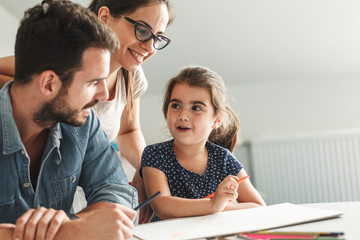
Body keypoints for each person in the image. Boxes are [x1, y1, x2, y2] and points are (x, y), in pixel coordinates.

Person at [0, 0, 174, 223]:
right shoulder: (46, 70)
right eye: (92, 83)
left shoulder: (85, 121)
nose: (104, 95)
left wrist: (74, 227)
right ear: (49, 84)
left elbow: (118, 191)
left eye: (157, 38)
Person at [140, 66, 266, 222]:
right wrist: (212, 205)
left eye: (196, 108)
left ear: (216, 120)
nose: (183, 116)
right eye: (176, 105)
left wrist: (218, 205)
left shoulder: (223, 158)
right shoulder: (154, 154)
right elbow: (163, 207)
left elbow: (259, 207)